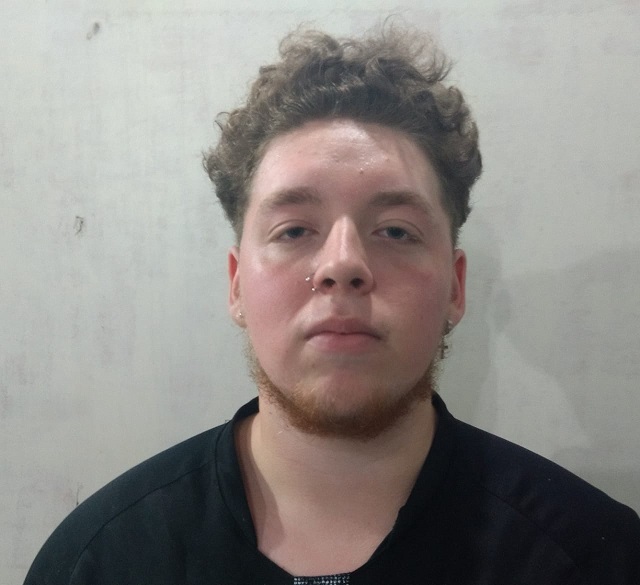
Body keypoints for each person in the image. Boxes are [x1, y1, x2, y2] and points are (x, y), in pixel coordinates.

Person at [24, 25, 639, 585]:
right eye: (294, 230)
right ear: (236, 286)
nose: (342, 264)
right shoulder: (98, 562)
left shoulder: (590, 559)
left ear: (455, 287)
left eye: (395, 231)